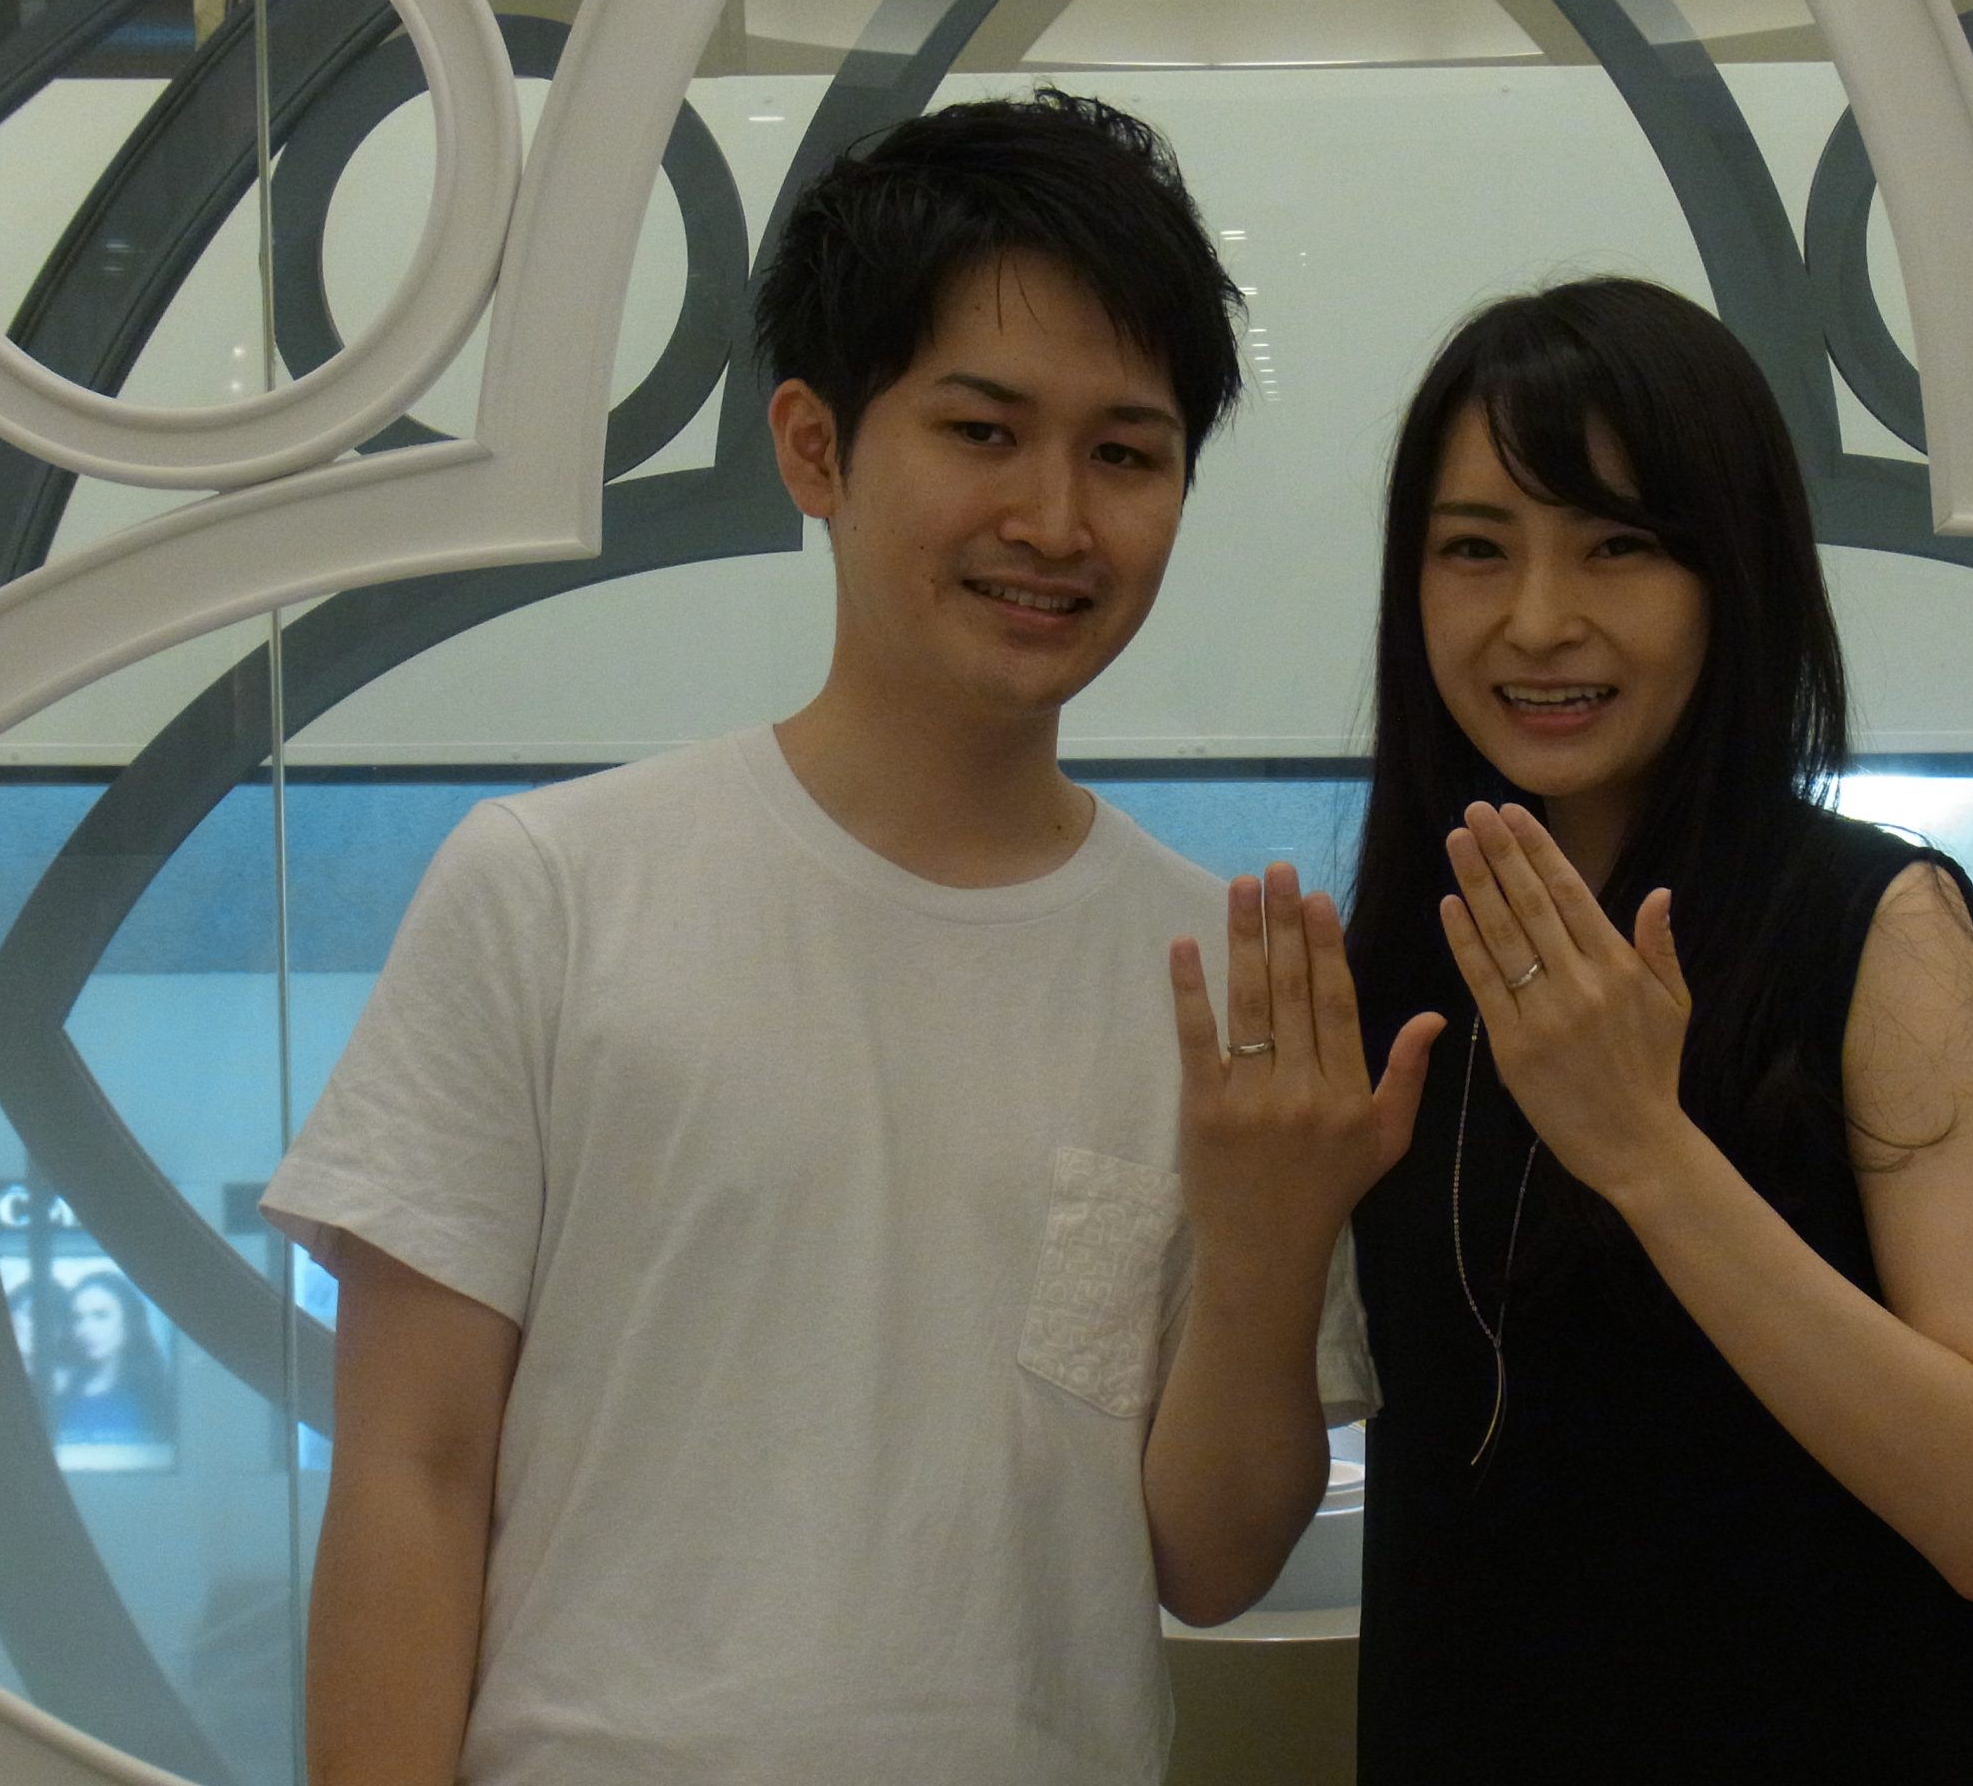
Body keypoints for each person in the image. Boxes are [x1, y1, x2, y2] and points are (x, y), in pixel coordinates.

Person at [261, 88, 1410, 1786]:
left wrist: (1266, 1243)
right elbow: (409, 1474)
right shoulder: (553, 888)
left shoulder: (1215, 980)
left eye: (1127, 453)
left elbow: (1213, 1562)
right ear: (815, 448)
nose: (1056, 519)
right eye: (982, 430)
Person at [1342, 278, 1973, 1781]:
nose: (1537, 620)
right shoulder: (1398, 951)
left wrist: (1647, 1151)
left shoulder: (1874, 923)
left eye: (1618, 545)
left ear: (1733, 574)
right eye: (1474, 549)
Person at [53, 1269, 173, 1447]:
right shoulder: (60, 1388)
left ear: (129, 1321)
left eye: (100, 1315)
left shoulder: (158, 1390)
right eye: (77, 1318)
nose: (86, 1329)